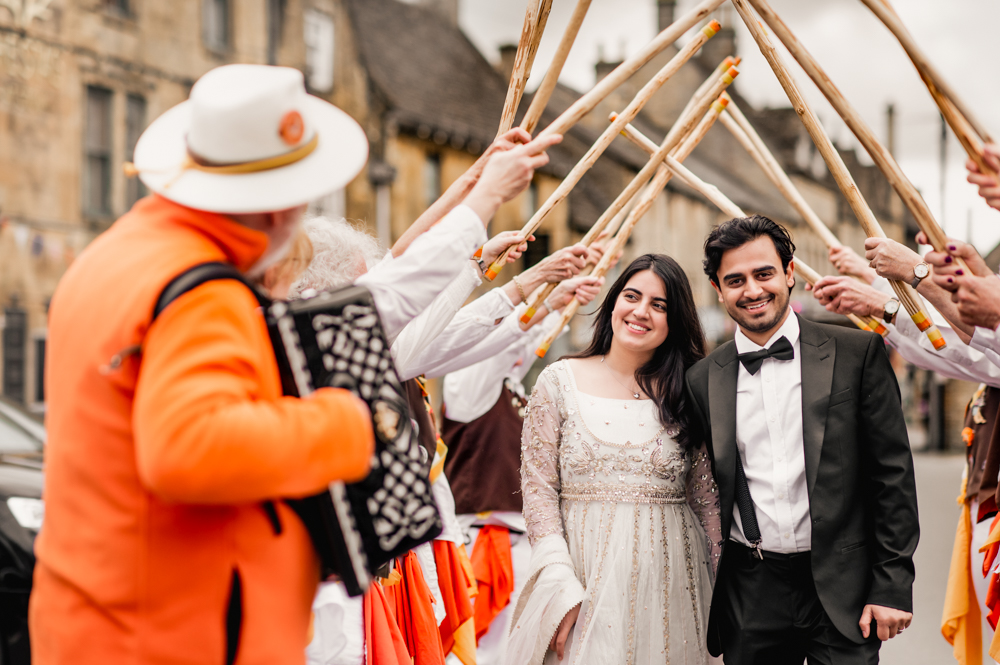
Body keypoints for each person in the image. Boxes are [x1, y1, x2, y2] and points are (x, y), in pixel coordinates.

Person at [31, 62, 559, 665]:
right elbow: (189, 448)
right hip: (176, 629)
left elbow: (376, 302)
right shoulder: (200, 291)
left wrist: (474, 197)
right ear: (277, 208)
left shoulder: (123, 256)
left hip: (118, 614)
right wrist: (350, 422)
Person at [685, 215, 919, 664]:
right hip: (751, 592)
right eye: (735, 280)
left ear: (790, 273)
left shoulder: (857, 353)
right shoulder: (702, 379)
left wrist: (892, 584)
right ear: (718, 290)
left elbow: (892, 477)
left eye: (764, 274)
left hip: (843, 586)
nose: (752, 290)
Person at [507, 253, 721, 665]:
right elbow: (538, 493)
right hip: (580, 582)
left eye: (659, 305)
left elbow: (706, 501)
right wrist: (558, 585)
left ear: (674, 320)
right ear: (613, 302)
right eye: (632, 296)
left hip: (672, 586)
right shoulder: (559, 381)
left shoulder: (689, 393)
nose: (641, 312)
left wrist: (728, 591)